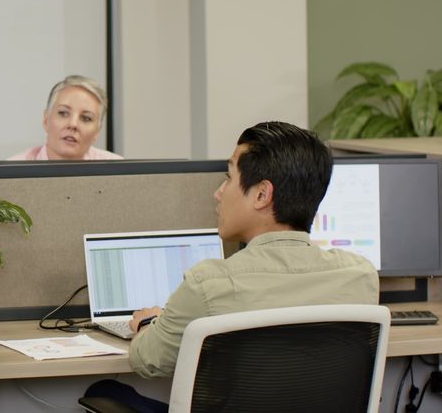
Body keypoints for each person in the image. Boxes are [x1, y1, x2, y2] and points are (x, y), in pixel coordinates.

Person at [83, 121, 379, 410]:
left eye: (228, 178)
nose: (218, 192)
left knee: (104, 390)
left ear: (262, 194)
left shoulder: (209, 283)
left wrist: (149, 323)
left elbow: (149, 360)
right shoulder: (360, 276)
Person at [8, 75, 123, 161]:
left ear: (97, 132)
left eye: (86, 118)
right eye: (63, 113)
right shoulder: (11, 173)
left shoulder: (119, 172)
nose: (73, 124)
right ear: (46, 120)